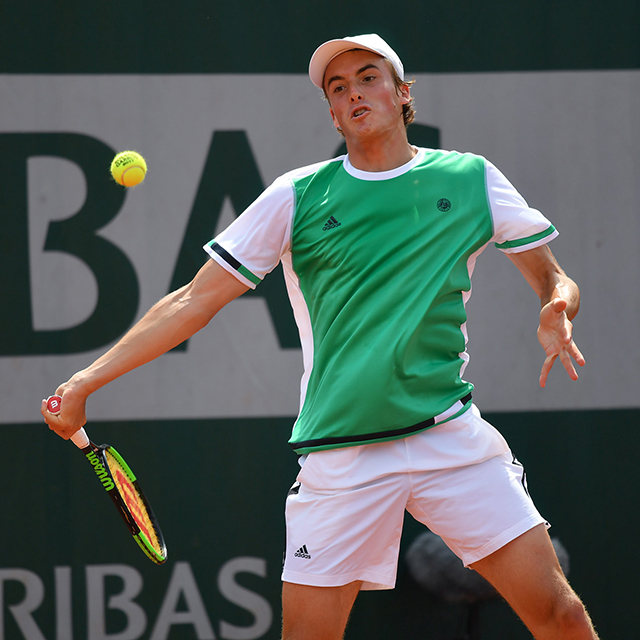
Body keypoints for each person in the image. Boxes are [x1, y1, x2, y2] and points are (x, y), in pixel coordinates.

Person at [43, 33, 598, 640]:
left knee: (563, 616)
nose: (354, 93)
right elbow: (192, 301)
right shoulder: (296, 195)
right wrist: (85, 380)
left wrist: (556, 304)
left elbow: (553, 276)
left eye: (368, 78)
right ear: (332, 113)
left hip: (449, 436)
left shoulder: (471, 178)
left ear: (402, 93)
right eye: (338, 88)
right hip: (342, 454)